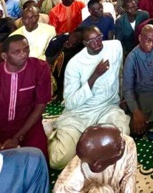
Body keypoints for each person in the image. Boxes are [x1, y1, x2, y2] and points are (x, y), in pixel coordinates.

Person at [48, 26, 130, 169]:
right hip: (79, 114)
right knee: (58, 160)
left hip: (107, 108)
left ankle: (88, 143)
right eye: (92, 41)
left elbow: (121, 73)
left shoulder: (115, 47)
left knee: (119, 140)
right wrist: (94, 76)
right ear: (85, 43)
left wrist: (123, 97)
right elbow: (71, 103)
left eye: (99, 38)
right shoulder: (75, 64)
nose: (97, 43)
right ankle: (54, 131)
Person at [0, 35, 51, 159]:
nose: (23, 54)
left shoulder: (40, 68)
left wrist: (18, 136)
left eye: (26, 49)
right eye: (16, 52)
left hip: (29, 125)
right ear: (4, 56)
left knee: (40, 157)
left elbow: (41, 104)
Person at [53, 124, 136, 193]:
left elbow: (129, 177)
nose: (123, 144)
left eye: (121, 136)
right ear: (98, 164)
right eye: (118, 147)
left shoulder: (126, 142)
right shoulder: (70, 184)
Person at [46, 28, 85, 103]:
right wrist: (63, 49)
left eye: (79, 40)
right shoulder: (57, 41)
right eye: (75, 38)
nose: (76, 41)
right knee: (63, 55)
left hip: (72, 72)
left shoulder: (80, 44)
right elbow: (49, 63)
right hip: (55, 72)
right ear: (71, 33)